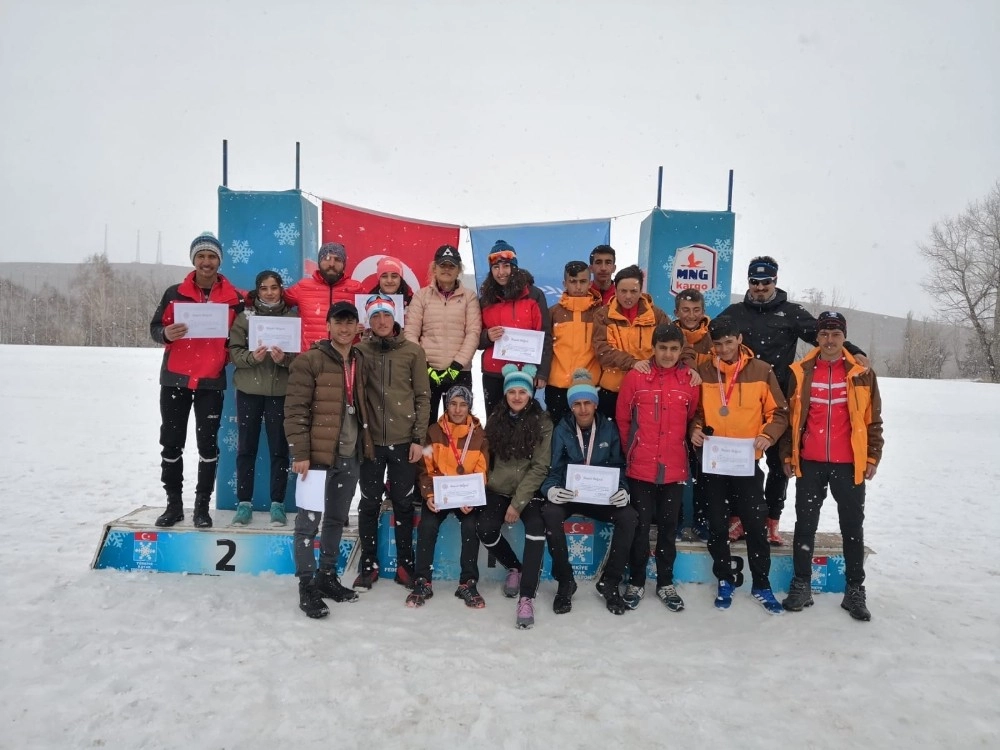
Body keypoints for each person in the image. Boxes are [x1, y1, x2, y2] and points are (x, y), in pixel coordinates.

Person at [719, 257, 869, 545]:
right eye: (754, 282)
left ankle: (770, 521)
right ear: (748, 282)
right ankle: (737, 518)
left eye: (766, 282)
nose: (760, 288)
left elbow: (824, 337)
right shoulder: (735, 313)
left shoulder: (791, 312)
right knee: (741, 462)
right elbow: (709, 338)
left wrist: (854, 350)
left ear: (775, 281)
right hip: (742, 398)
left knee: (779, 463)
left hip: (779, 398)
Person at [779, 311, 883, 621]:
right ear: (817, 336)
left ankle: (854, 590)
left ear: (844, 337)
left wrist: (872, 457)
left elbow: (873, 420)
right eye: (824, 334)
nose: (829, 340)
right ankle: (802, 584)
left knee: (852, 527)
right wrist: (788, 455)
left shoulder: (862, 373)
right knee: (805, 525)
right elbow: (790, 419)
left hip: (848, 465)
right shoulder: (800, 371)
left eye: (835, 335)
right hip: (810, 462)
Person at [689, 315, 788, 614]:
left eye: (728, 342)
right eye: (717, 344)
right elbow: (697, 414)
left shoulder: (761, 371)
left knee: (756, 526)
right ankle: (724, 578)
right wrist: (695, 429)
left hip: (746, 464)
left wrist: (766, 436)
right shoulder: (703, 372)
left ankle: (761, 583)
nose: (723, 349)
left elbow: (779, 413)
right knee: (717, 525)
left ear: (739, 340)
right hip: (715, 463)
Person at [284, 301, 374, 619]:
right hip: (317, 457)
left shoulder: (361, 360)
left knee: (336, 519)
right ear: (328, 326)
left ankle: (327, 576)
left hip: (350, 454)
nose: (345, 328)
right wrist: (301, 453)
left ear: (357, 327)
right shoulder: (309, 361)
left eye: (350, 323)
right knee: (307, 524)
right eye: (339, 322)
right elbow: (295, 410)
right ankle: (307, 586)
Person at [149, 231, 244, 529]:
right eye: (201, 256)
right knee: (172, 443)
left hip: (210, 381)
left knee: (207, 446)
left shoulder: (234, 297)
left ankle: (202, 506)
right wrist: (165, 334)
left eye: (212, 256)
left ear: (219, 261)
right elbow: (155, 328)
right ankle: (174, 505)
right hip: (176, 379)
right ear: (194, 260)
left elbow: (240, 335)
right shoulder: (174, 292)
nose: (206, 262)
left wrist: (230, 350)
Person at [616, 324, 700, 612]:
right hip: (641, 469)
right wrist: (632, 452)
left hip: (674, 468)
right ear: (653, 348)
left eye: (674, 349)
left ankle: (665, 582)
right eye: (662, 348)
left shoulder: (689, 381)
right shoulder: (635, 377)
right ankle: (637, 581)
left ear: (681, 351)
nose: (667, 354)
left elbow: (692, 419)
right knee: (639, 529)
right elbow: (623, 420)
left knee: (667, 529)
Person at [541, 370, 637, 616]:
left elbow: (619, 467)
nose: (583, 409)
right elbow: (553, 469)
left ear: (595, 404)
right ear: (571, 406)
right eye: (577, 404)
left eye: (587, 403)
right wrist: (551, 489)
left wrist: (623, 490)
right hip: (571, 496)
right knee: (550, 513)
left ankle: (610, 581)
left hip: (600, 498)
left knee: (629, 516)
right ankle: (565, 581)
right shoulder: (561, 429)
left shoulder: (609, 428)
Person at [354, 293, 431, 590]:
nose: (382, 321)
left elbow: (423, 397)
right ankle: (369, 563)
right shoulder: (360, 351)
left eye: (386, 315)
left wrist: (417, 439)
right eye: (375, 316)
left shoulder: (412, 351)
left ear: (395, 317)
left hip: (403, 441)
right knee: (369, 503)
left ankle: (404, 564)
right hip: (371, 442)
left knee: (402, 504)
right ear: (369, 321)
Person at [478, 364, 553, 629]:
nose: (518, 396)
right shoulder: (496, 419)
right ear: (506, 394)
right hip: (499, 488)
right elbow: (485, 458)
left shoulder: (543, 422)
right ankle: (515, 568)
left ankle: (527, 596)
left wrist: (517, 503)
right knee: (485, 529)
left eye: (523, 391)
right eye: (513, 392)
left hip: (529, 492)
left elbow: (540, 466)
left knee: (536, 528)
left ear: (531, 394)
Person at [407, 385, 488, 610]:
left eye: (463, 404)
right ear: (447, 405)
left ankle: (467, 582)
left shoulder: (479, 434)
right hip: (440, 495)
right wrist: (430, 494)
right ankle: (422, 580)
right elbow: (425, 467)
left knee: (472, 527)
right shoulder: (433, 431)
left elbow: (482, 471)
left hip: (465, 499)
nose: (458, 409)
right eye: (453, 403)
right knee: (427, 526)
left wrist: (472, 498)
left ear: (469, 407)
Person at [227, 270, 297, 527]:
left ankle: (277, 504)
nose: (269, 292)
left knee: (279, 450)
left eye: (274, 287)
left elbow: (300, 357)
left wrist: (285, 360)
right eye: (264, 288)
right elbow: (234, 352)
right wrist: (251, 358)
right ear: (258, 290)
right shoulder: (245, 318)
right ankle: (244, 503)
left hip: (280, 392)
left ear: (281, 289)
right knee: (246, 448)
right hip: (249, 392)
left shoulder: (291, 317)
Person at [404, 244, 482, 424]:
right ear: (434, 268)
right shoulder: (421, 296)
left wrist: (456, 366)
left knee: (458, 425)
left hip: (459, 372)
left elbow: (473, 333)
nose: (446, 269)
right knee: (425, 423)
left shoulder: (469, 297)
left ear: (458, 270)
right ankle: (426, 453)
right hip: (426, 371)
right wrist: (424, 365)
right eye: (442, 265)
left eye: (451, 266)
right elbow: (411, 332)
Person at [478, 240, 552, 419]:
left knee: (524, 424)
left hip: (524, 372)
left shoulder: (534, 295)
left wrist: (542, 371)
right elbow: (474, 337)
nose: (501, 272)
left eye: (506, 266)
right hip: (494, 373)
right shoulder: (485, 299)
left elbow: (545, 335)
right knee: (496, 423)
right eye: (496, 267)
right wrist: (486, 336)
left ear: (514, 267)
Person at [592, 265, 671, 420]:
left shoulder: (657, 315)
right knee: (613, 439)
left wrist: (691, 366)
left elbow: (675, 343)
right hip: (612, 390)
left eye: (633, 291)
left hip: (649, 388)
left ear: (641, 291)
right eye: (623, 291)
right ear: (615, 290)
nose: (628, 296)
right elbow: (602, 350)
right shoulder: (603, 315)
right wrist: (632, 362)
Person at [673, 288, 712, 540]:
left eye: (696, 310)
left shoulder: (713, 337)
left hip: (706, 411)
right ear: (677, 311)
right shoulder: (668, 333)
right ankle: (677, 520)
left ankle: (700, 519)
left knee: (703, 472)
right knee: (677, 471)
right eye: (686, 310)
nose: (691, 315)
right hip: (676, 409)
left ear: (703, 311)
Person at [546, 260, 604, 425]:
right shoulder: (553, 313)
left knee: (587, 439)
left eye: (583, 281)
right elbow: (545, 348)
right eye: (573, 281)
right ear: (565, 283)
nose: (578, 287)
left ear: (590, 282)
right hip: (557, 387)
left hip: (589, 386)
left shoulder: (600, 313)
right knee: (559, 436)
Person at [284, 242, 365, 351]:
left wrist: (363, 327)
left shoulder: (356, 288)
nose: (331, 263)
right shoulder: (303, 287)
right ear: (319, 262)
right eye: (327, 258)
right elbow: (274, 300)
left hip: (345, 357)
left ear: (344, 264)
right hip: (311, 358)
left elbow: (374, 312)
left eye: (337, 259)